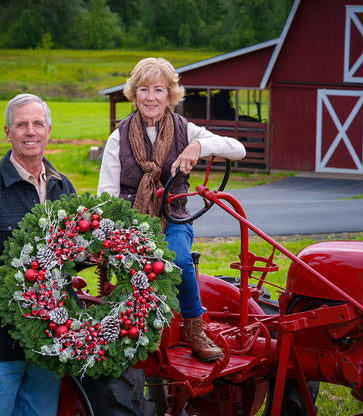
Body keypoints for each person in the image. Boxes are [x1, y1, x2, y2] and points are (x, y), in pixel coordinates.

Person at [97, 57, 246, 362]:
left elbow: (238, 149)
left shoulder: (185, 130)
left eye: (159, 90)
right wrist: (109, 234)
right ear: (134, 93)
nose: (151, 97)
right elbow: (107, 194)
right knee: (137, 270)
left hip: (174, 217)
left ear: (170, 95)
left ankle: (193, 328)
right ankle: (131, 330)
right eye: (144, 89)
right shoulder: (118, 137)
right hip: (132, 222)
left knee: (177, 257)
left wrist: (199, 147)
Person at [0, 93, 76, 416]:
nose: (30, 131)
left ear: (49, 130)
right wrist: (27, 305)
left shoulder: (62, 188)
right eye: (21, 124)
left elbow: (68, 254)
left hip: (46, 348)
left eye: (38, 123)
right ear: (7, 133)